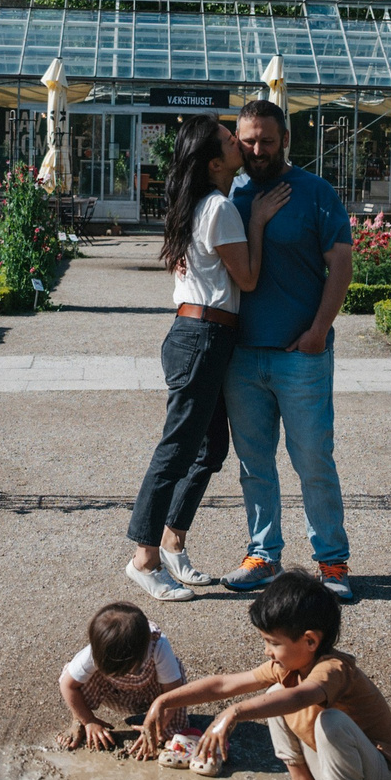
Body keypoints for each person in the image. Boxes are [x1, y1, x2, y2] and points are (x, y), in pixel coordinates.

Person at [124, 114, 291, 601]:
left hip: (203, 335)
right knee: (176, 451)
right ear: (216, 162)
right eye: (228, 139)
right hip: (201, 336)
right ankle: (144, 558)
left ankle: (173, 542)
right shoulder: (220, 207)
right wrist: (257, 221)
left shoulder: (199, 202)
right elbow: (249, 279)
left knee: (210, 448)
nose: (239, 141)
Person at [139, 571, 391, 780]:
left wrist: (233, 712)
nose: (267, 651)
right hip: (335, 777)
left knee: (330, 719)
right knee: (275, 693)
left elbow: (302, 697)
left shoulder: (333, 669)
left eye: (274, 643)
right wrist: (164, 701)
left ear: (310, 641)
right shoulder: (287, 667)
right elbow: (222, 685)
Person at [221, 98, 355, 600]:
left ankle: (332, 563)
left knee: (313, 459)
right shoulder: (229, 195)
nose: (257, 149)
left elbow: (340, 263)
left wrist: (320, 329)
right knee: (254, 463)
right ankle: (264, 554)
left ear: (286, 141)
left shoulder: (315, 192)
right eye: (248, 140)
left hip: (302, 352)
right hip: (243, 355)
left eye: (267, 140)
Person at [56, 600, 188, 756]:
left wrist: (157, 727)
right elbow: (68, 685)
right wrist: (88, 720)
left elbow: (173, 693)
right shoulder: (98, 649)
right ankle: (79, 722)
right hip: (114, 694)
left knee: (177, 681)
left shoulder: (157, 646)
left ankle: (164, 731)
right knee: (74, 675)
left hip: (152, 696)